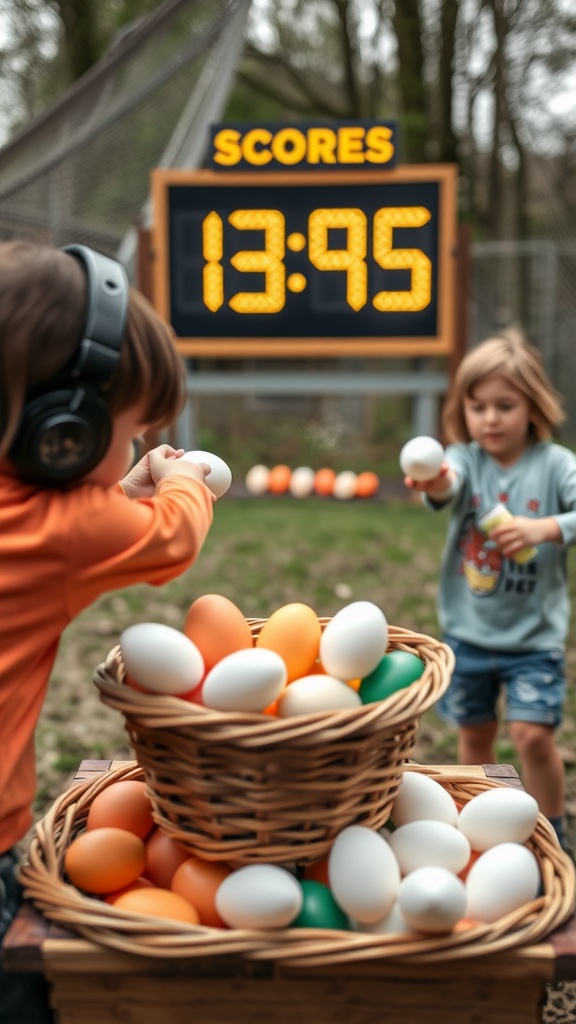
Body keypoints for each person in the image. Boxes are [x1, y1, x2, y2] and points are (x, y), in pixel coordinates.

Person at [0, 240, 216, 1022]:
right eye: (127, 431)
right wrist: (181, 475)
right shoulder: (62, 527)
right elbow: (172, 538)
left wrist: (116, 486)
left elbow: (88, 519)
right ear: (66, 433)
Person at [403, 327, 576, 854]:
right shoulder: (466, 459)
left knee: (531, 736)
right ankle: (477, 831)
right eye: (478, 407)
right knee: (475, 739)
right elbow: (448, 481)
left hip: (533, 642)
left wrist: (545, 528)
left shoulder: (556, 465)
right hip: (469, 637)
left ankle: (553, 832)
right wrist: (433, 481)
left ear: (533, 405)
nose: (491, 418)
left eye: (505, 405)